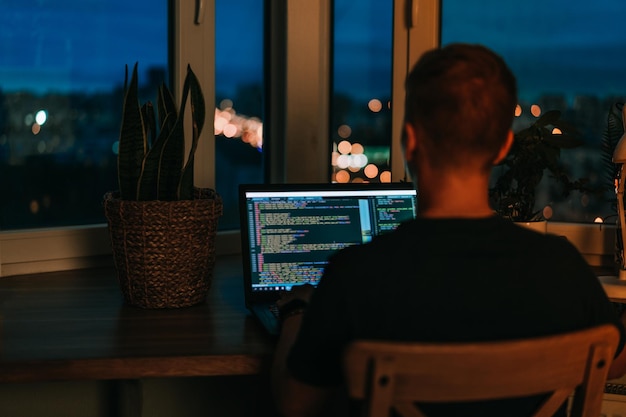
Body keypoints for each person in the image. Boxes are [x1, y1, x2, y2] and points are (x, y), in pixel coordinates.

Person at [270, 43, 626, 417]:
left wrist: (295, 312)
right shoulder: (562, 269)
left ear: (410, 141)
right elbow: (613, 363)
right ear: (505, 146)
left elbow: (296, 407)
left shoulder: (354, 276)